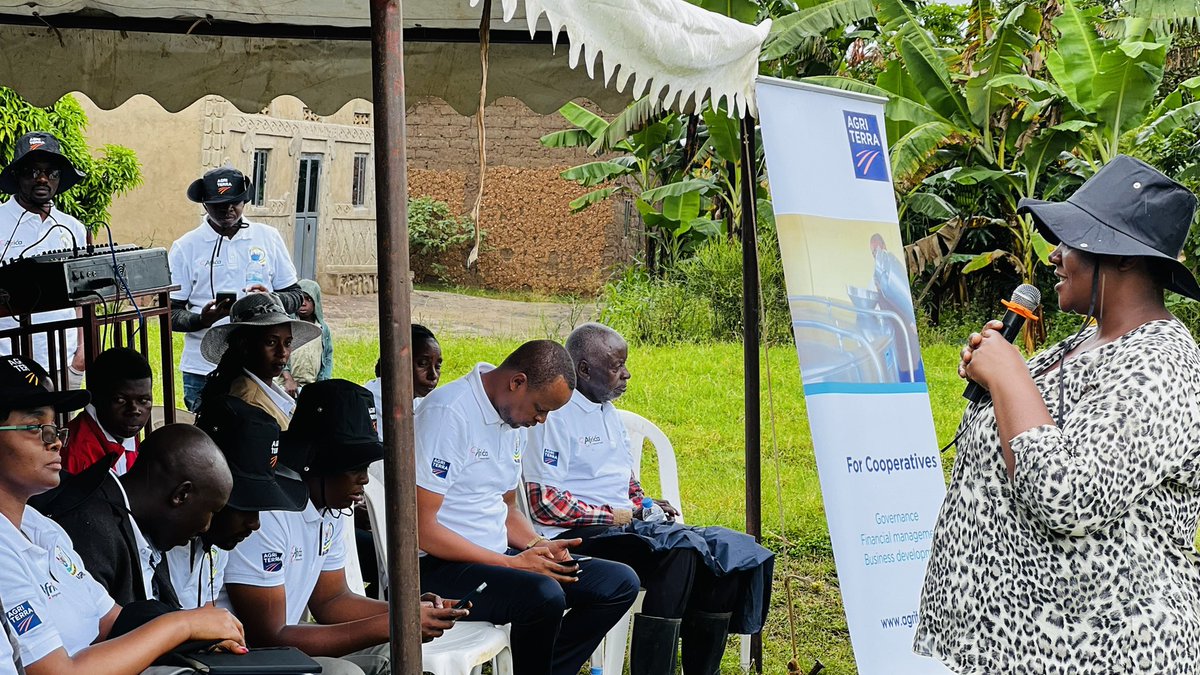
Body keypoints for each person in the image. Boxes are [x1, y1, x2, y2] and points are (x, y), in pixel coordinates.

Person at [915, 155, 1200, 673]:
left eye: (1071, 241)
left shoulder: (1162, 365)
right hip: (1027, 644)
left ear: (1126, 259)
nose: (1053, 255)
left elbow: (1069, 497)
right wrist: (997, 382)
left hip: (1106, 648)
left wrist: (1009, 376)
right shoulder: (1077, 346)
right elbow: (1024, 453)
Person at [525, 323, 774, 675]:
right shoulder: (554, 416)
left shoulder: (607, 412)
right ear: (583, 369)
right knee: (683, 552)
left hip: (623, 526)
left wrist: (645, 504)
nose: (625, 374)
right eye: (616, 366)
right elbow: (544, 503)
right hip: (579, 536)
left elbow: (624, 483)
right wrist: (617, 516)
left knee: (733, 551)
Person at [0, 354, 247, 674]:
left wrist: (198, 633)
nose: (55, 443)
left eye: (55, 427)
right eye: (37, 427)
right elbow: (59, 673)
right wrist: (182, 626)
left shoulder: (42, 529)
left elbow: (112, 621)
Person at [415, 340, 641, 675]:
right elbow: (420, 528)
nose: (542, 419)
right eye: (540, 408)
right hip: (438, 568)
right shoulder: (450, 413)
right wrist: (512, 563)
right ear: (517, 382)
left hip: (496, 557)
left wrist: (540, 546)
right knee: (542, 594)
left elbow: (507, 508)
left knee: (618, 582)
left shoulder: (513, 418)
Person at [224, 379, 465, 674]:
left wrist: (408, 610)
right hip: (247, 654)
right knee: (346, 672)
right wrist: (394, 622)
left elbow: (331, 600)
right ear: (316, 461)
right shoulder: (270, 514)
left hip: (284, 644)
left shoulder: (332, 505)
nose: (365, 479)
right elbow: (269, 637)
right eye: (355, 467)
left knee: (400, 647)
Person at [37, 425, 233, 608]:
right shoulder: (91, 530)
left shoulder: (149, 524)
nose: (206, 526)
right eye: (211, 511)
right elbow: (103, 635)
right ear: (180, 495)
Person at [169, 166, 305, 413]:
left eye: (234, 202)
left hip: (258, 368)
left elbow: (297, 296)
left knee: (257, 437)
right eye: (218, 204)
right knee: (209, 442)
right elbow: (170, 314)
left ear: (245, 200)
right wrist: (202, 318)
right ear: (204, 204)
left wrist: (271, 300)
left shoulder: (268, 237)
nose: (228, 210)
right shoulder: (185, 246)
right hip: (202, 368)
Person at [169, 395, 308, 610]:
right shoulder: (161, 551)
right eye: (245, 507)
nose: (255, 524)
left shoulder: (218, 545)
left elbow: (206, 615)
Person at [0, 132, 88, 388]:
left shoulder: (72, 228)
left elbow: (83, 296)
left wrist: (80, 357)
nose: (42, 178)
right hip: (8, 361)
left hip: (63, 361)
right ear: (17, 175)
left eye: (51, 172)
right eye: (32, 171)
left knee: (60, 428)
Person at [196, 293, 320, 429]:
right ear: (245, 345)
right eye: (271, 342)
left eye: (287, 343)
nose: (282, 352)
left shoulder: (265, 388)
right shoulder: (250, 403)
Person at [61, 348, 152, 476]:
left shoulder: (123, 431)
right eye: (120, 400)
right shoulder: (75, 455)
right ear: (96, 398)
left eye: (143, 400)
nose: (134, 411)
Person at [364, 324, 441, 442]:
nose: (433, 375)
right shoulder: (375, 401)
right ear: (398, 362)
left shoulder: (423, 399)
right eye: (423, 364)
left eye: (438, 366)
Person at [869, 233, 924, 382]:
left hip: (903, 317)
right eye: (873, 252)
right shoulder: (878, 270)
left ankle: (913, 383)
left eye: (877, 250)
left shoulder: (892, 264)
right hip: (891, 321)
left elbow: (900, 297)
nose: (875, 254)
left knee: (911, 354)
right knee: (899, 357)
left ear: (884, 246)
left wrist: (911, 320)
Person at [279, 279, 333, 397]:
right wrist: (288, 378)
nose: (303, 303)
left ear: (316, 302)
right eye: (301, 299)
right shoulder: (289, 326)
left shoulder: (322, 329)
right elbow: (280, 354)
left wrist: (323, 382)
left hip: (312, 386)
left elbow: (328, 356)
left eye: (309, 299)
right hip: (287, 386)